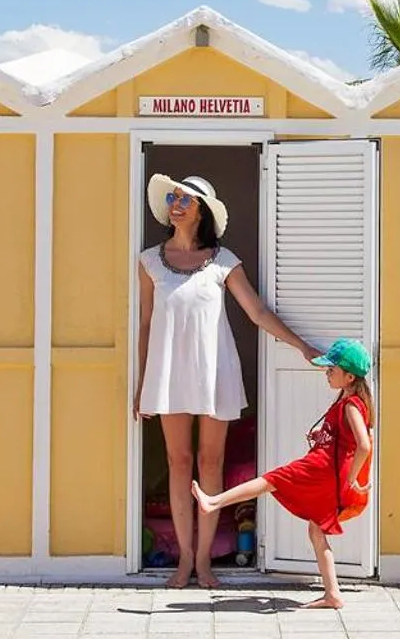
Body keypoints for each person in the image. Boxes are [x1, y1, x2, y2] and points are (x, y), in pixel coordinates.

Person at [135, 173, 320, 590]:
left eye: (186, 199)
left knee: (210, 462)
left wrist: (302, 346)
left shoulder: (222, 260)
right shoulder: (148, 261)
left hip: (213, 370)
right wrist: (141, 382)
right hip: (167, 374)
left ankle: (204, 563)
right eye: (173, 197)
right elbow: (146, 324)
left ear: (202, 211)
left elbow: (256, 312)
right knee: (178, 462)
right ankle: (184, 559)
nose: (177, 204)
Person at [193, 337, 374, 610]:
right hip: (324, 467)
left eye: (332, 370)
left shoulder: (350, 406)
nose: (327, 373)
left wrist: (351, 480)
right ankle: (332, 593)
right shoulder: (348, 401)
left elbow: (363, 444)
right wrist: (321, 434)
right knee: (315, 529)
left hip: (322, 470)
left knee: (270, 480)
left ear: (349, 377)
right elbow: (347, 440)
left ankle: (214, 501)